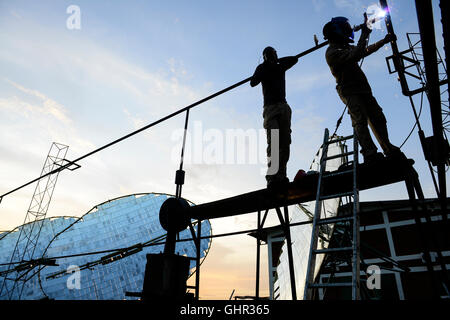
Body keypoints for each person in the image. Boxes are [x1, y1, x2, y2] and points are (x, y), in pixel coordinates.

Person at [323, 16, 402, 164]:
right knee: (360, 120)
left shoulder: (344, 48)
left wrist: (382, 41)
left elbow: (364, 50)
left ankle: (388, 148)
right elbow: (358, 53)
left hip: (362, 88)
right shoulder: (332, 52)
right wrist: (365, 33)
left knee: (378, 117)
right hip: (349, 90)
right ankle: (369, 153)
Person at [250, 46, 298, 189]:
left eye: (274, 53)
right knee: (274, 142)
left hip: (283, 106)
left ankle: (281, 176)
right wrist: (265, 66)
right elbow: (253, 83)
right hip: (270, 108)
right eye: (270, 54)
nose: (273, 56)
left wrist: (276, 61)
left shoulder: (280, 66)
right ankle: (272, 177)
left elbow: (294, 59)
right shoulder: (262, 68)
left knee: (285, 143)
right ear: (265, 56)